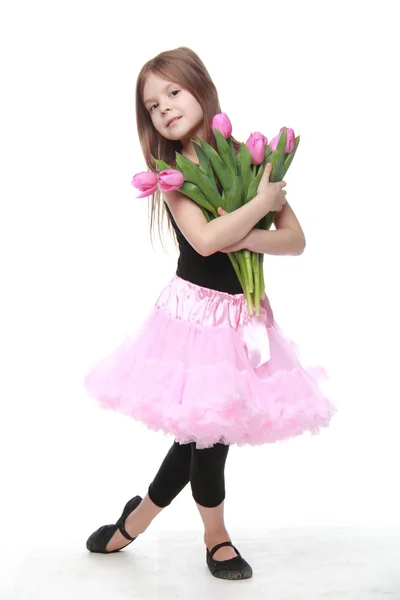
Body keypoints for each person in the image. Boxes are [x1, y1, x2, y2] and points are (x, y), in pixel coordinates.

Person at [83, 46, 336, 581]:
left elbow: (294, 241)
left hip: (241, 316)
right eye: (152, 105)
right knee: (209, 436)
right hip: (193, 319)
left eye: (173, 92)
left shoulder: (249, 156)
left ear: (201, 87)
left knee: (201, 430)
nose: (165, 108)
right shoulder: (169, 175)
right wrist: (260, 207)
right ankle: (215, 537)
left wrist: (247, 226)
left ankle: (138, 518)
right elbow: (202, 241)